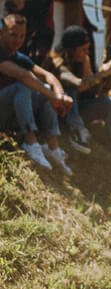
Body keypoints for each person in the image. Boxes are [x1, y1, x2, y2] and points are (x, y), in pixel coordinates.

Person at [47, 25, 111, 167]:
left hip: (75, 110)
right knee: (70, 91)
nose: (86, 53)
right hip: (57, 113)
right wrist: (101, 74)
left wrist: (89, 66)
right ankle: (77, 132)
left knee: (110, 103)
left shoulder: (81, 59)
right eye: (83, 50)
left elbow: (92, 92)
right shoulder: (57, 61)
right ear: (72, 49)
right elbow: (78, 84)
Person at [0, 13, 73, 173]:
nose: (17, 40)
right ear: (2, 32)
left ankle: (52, 147)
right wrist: (53, 96)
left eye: (22, 36)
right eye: (13, 34)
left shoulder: (18, 56)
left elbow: (49, 76)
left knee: (42, 91)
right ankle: (30, 142)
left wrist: (60, 96)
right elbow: (23, 76)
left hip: (7, 115)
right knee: (24, 86)